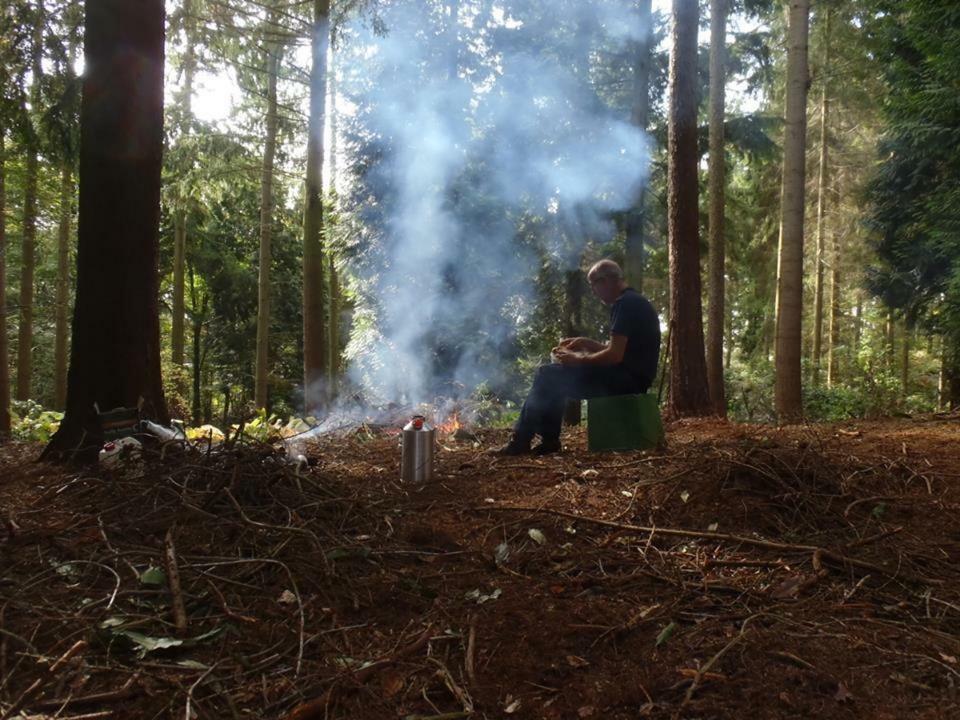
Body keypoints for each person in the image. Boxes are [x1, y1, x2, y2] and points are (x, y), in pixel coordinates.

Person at [498, 259, 661, 455]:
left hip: (625, 382)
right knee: (554, 377)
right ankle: (547, 441)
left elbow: (615, 356)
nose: (593, 290)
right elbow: (620, 351)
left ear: (607, 280)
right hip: (633, 378)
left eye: (594, 284)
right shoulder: (634, 300)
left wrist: (578, 360)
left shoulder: (624, 304)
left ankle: (521, 441)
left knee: (547, 375)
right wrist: (587, 343)